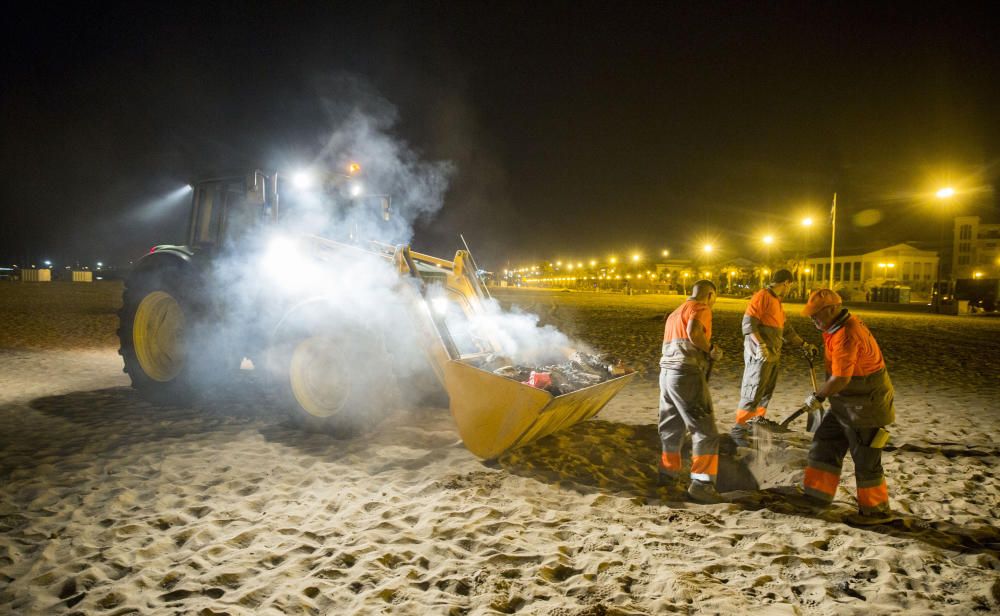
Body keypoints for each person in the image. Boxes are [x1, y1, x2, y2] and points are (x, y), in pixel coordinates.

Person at [797, 289, 896, 525]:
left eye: (815, 315)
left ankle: (876, 512)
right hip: (844, 401)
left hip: (866, 404)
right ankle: (817, 497)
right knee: (824, 443)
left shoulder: (846, 333)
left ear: (831, 309)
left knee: (866, 459)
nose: (813, 319)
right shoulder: (834, 327)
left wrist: (818, 396)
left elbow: (841, 378)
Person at [731, 269, 819, 446]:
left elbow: (786, 330)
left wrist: (804, 344)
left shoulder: (777, 301)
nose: (789, 289)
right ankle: (739, 430)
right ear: (786, 282)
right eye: (790, 285)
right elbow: (748, 325)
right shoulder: (762, 296)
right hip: (760, 354)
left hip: (772, 355)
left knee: (765, 393)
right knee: (753, 390)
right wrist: (761, 345)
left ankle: (755, 423)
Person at [658, 279, 726, 503]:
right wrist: (712, 349)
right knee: (705, 431)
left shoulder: (675, 312)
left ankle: (667, 475)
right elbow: (694, 332)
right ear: (710, 295)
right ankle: (702, 484)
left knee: (671, 427)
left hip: (666, 375)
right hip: (686, 374)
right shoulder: (701, 307)